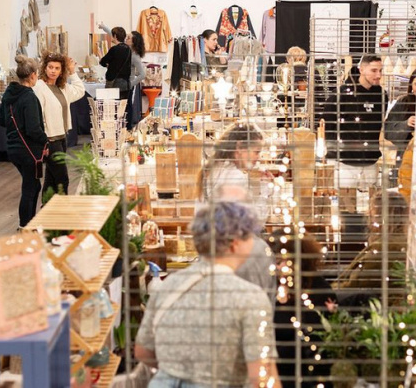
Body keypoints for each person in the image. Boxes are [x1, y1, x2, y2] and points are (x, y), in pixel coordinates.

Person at [135, 202, 282, 388]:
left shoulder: (169, 285)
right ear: (235, 242)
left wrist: (178, 371)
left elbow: (143, 351)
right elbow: (262, 377)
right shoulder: (250, 298)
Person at [268, 230, 337, 387]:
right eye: (275, 262)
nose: (277, 267)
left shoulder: (318, 289)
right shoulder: (273, 286)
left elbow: (318, 341)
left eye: (281, 261)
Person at [323, 55, 387, 209]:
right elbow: (327, 125)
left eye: (380, 70)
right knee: (345, 212)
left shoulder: (381, 95)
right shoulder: (341, 95)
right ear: (361, 69)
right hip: (345, 165)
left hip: (370, 163)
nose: (378, 75)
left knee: (370, 212)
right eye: (373, 70)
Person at [0, 56, 49, 229]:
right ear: (33, 75)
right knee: (30, 188)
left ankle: (29, 224)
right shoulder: (29, 97)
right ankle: (26, 226)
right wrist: (46, 141)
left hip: (13, 148)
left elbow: (1, 120)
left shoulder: (8, 94)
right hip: (29, 151)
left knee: (32, 186)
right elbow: (33, 129)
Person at [34, 52, 85, 200]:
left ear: (61, 71)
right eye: (50, 67)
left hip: (62, 137)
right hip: (50, 139)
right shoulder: (39, 87)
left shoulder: (63, 87)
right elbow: (39, 115)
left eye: (57, 68)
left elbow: (80, 90)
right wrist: (44, 139)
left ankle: (46, 208)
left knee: (51, 178)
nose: (53, 71)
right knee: (62, 178)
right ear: (44, 68)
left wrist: (73, 72)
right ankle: (63, 208)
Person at [334, 191, 409, 292]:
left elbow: (355, 285)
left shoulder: (385, 248)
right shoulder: (397, 241)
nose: (368, 215)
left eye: (372, 212)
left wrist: (330, 290)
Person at [209, 123, 269, 221]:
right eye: (256, 152)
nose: (258, 158)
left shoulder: (214, 168)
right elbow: (255, 222)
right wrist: (265, 187)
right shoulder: (236, 177)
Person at [100, 23, 147, 129]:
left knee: (126, 108)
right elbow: (115, 36)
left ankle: (127, 129)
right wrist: (104, 27)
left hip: (127, 84)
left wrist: (131, 83)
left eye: (129, 38)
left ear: (134, 42)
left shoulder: (134, 56)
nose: (126, 39)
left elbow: (142, 74)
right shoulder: (125, 50)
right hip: (123, 83)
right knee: (120, 108)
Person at [384, 71, 416, 153]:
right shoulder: (403, 102)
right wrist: (406, 124)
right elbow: (388, 132)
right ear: (411, 86)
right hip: (405, 158)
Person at [99, 26, 132, 100]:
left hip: (114, 82)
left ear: (115, 36)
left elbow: (103, 62)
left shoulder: (114, 49)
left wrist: (103, 61)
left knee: (111, 105)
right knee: (122, 106)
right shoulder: (128, 49)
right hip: (126, 83)